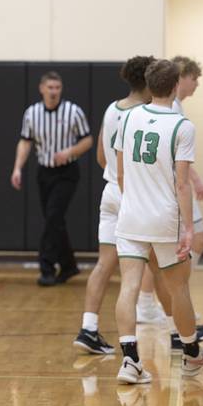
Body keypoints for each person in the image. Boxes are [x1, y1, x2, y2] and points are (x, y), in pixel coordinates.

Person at [112, 59, 203, 384]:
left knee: (129, 285)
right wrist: (188, 228)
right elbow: (182, 183)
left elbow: (120, 172)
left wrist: (132, 202)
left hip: (130, 214)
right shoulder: (182, 125)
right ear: (174, 87)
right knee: (178, 286)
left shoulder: (127, 117)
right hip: (164, 218)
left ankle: (130, 362)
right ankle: (191, 355)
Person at [72, 56, 155, 355]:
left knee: (104, 264)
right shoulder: (147, 114)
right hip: (135, 196)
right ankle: (176, 334)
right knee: (157, 266)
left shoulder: (111, 109)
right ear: (149, 81)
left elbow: (101, 158)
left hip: (111, 192)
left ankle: (89, 328)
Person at [137, 56, 203, 324]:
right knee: (195, 239)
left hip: (149, 194)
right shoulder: (172, 112)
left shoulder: (143, 113)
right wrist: (196, 181)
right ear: (181, 78)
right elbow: (178, 161)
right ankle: (175, 306)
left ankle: (149, 304)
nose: (197, 84)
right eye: (195, 78)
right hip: (170, 190)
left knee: (153, 253)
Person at [11, 72, 93, 286]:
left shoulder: (73, 112)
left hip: (67, 172)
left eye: (57, 87)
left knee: (53, 216)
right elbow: (25, 142)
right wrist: (17, 168)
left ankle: (46, 268)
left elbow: (88, 141)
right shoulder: (32, 113)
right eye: (50, 87)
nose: (54, 91)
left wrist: (69, 152)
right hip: (44, 172)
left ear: (61, 89)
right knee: (54, 220)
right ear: (42, 89)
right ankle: (69, 265)